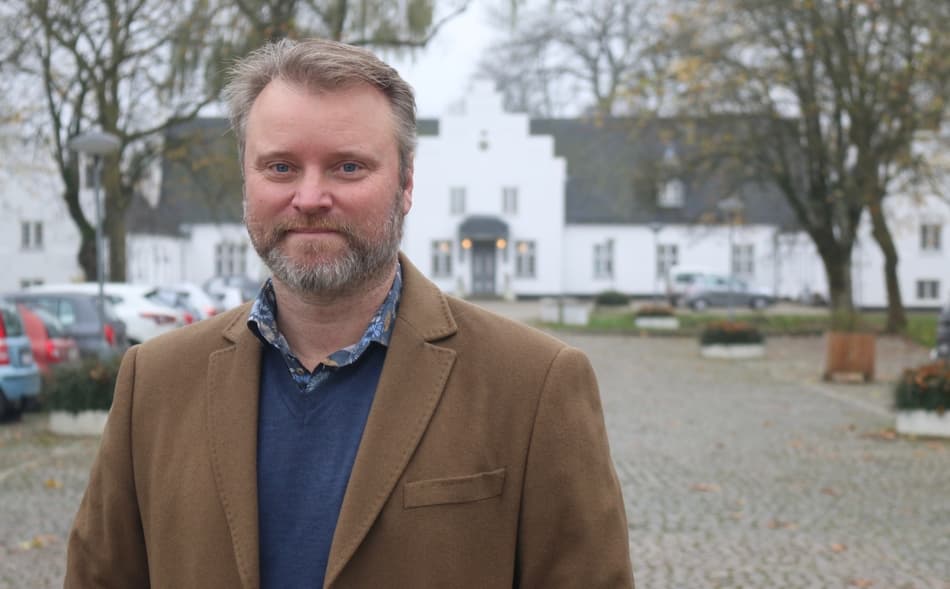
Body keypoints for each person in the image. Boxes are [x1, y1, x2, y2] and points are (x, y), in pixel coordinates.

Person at [64, 38, 634, 588]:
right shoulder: (155, 383)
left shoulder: (533, 385)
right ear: (246, 182)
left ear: (406, 184)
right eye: (280, 167)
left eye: (348, 167)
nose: (310, 198)